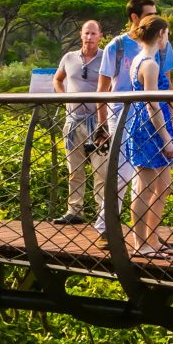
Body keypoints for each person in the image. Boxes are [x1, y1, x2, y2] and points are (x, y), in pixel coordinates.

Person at [120, 15, 173, 258]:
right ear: (161, 34)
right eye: (167, 33)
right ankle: (140, 243)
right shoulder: (149, 64)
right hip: (151, 127)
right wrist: (165, 136)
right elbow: (151, 104)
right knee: (144, 187)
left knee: (162, 186)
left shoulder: (141, 59)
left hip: (152, 123)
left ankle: (152, 239)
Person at [52, 19, 105, 223]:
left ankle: (102, 213)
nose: (89, 37)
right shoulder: (69, 57)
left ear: (100, 36)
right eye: (86, 33)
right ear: (81, 35)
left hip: (98, 121)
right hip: (73, 121)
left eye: (93, 33)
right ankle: (74, 211)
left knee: (101, 170)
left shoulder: (105, 59)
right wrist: (62, 97)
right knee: (74, 170)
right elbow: (58, 78)